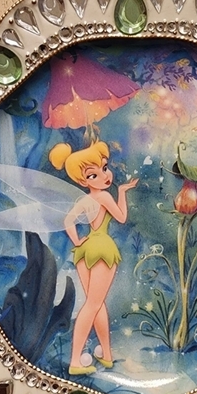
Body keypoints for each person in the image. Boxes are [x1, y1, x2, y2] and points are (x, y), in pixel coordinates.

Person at [49, 141, 138, 375]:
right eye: (93, 174)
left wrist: (77, 241)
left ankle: (106, 355)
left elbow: (68, 221)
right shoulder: (104, 197)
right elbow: (121, 218)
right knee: (93, 305)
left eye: (104, 168)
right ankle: (76, 361)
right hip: (101, 249)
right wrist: (121, 193)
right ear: (83, 181)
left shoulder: (84, 201)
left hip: (85, 250)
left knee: (96, 303)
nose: (104, 176)